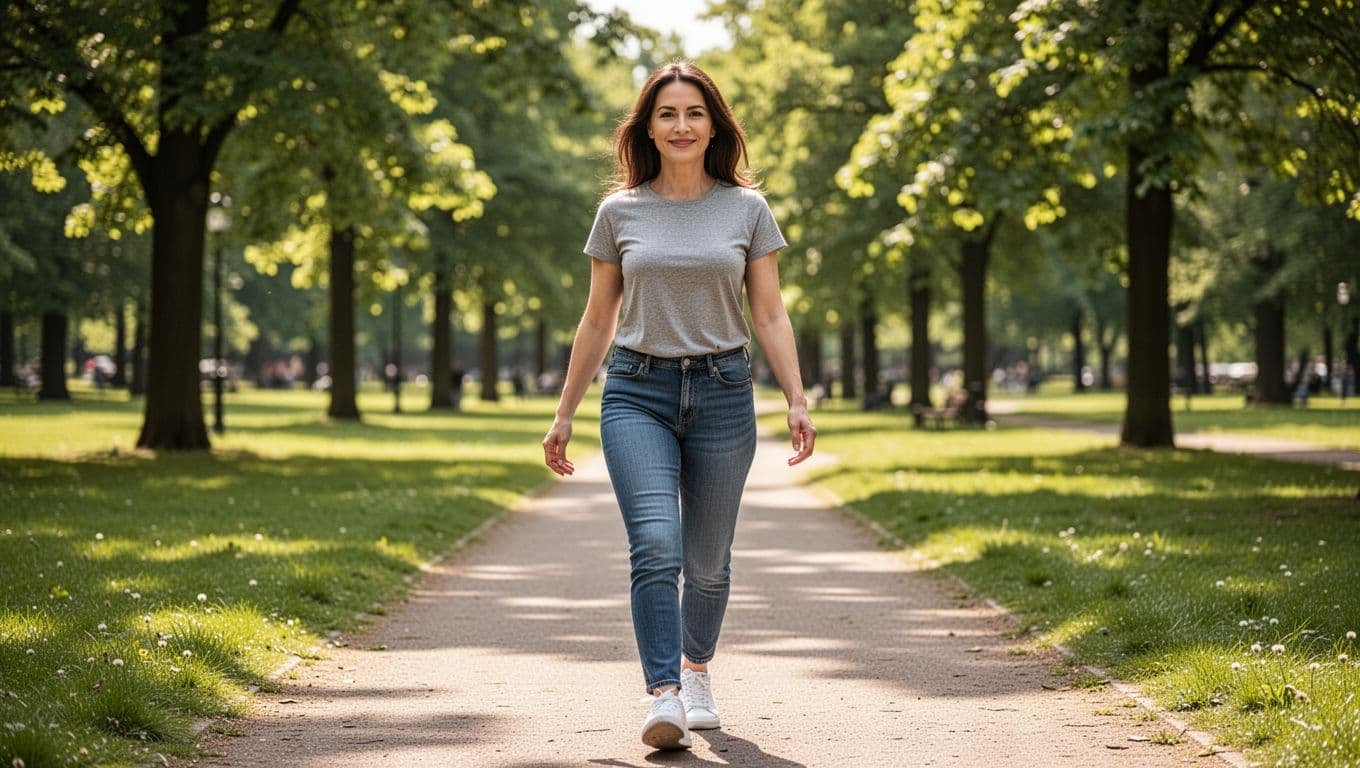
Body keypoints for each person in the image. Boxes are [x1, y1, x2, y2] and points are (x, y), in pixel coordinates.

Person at [541, 60, 815, 752]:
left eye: (695, 113)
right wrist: (565, 411)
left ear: (714, 124)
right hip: (637, 391)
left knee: (710, 559)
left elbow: (771, 311)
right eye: (668, 113)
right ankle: (662, 694)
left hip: (724, 391)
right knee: (656, 545)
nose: (682, 125)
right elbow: (597, 319)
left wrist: (797, 397)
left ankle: (697, 673)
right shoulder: (620, 212)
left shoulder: (747, 209)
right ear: (649, 128)